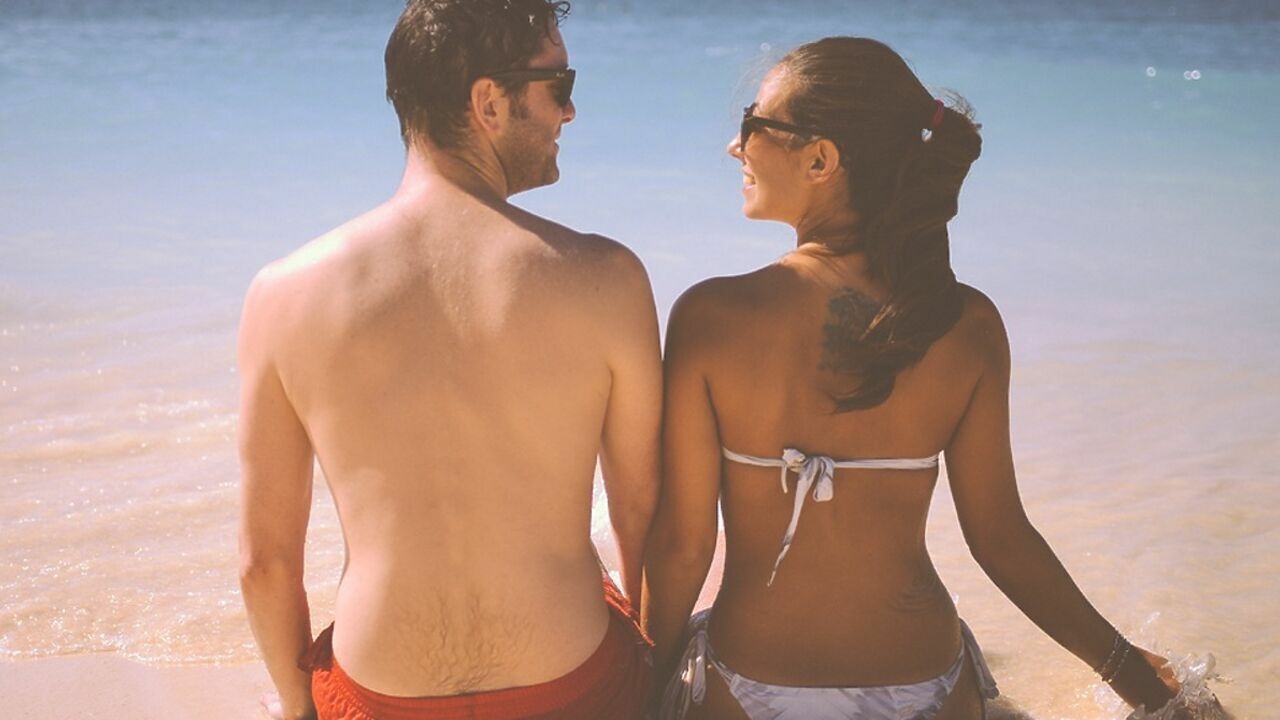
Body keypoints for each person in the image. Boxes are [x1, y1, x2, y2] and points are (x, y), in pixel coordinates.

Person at [642, 37, 1185, 720]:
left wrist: (642, 690)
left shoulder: (712, 317)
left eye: (754, 124)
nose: (735, 147)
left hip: (747, 682)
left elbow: (683, 547)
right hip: (925, 685)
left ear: (820, 159)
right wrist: (1129, 673)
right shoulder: (964, 324)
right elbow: (1001, 539)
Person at [237, 1, 661, 718]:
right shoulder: (605, 277)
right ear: (488, 101)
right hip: (576, 684)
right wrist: (654, 670)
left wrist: (300, 709)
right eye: (559, 84)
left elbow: (264, 563)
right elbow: (641, 512)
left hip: (380, 694)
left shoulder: (282, 294)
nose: (570, 111)